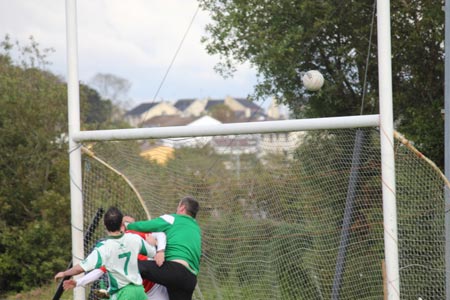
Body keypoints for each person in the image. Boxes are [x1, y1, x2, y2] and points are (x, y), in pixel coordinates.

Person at [54, 206, 156, 300]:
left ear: (105, 225)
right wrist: (153, 243)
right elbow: (153, 253)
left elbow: (81, 268)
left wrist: (65, 273)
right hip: (139, 291)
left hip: (123, 293)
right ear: (122, 224)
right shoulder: (135, 238)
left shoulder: (104, 247)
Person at [125, 196, 201, 300]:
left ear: (182, 208)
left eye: (178, 206)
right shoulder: (196, 229)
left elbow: (144, 226)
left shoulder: (172, 219)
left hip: (175, 271)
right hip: (191, 279)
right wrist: (156, 243)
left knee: (132, 265)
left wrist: (126, 226)